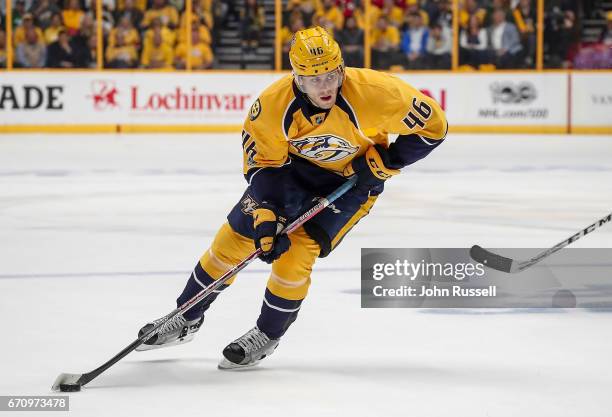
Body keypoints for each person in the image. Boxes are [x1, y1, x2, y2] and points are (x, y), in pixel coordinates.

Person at [135, 26, 447, 370]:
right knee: (234, 240)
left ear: (342, 68)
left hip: (351, 182)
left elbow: (434, 125)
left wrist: (388, 162)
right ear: (296, 78)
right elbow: (264, 164)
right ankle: (186, 317)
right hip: (290, 176)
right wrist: (267, 211)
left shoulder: (377, 92)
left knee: (296, 253)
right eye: (314, 79)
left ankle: (268, 334)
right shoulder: (271, 106)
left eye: (331, 74)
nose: (326, 86)